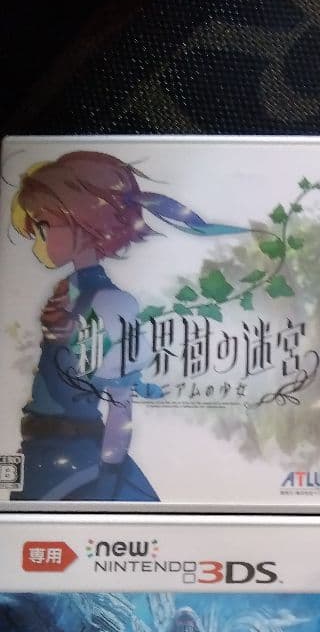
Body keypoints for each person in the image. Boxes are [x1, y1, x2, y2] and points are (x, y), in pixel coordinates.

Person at [10, 150, 243, 501]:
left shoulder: (108, 303)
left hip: (78, 466)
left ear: (83, 222)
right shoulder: (71, 291)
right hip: (44, 457)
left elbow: (120, 407)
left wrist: (108, 479)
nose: (38, 244)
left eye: (43, 227)